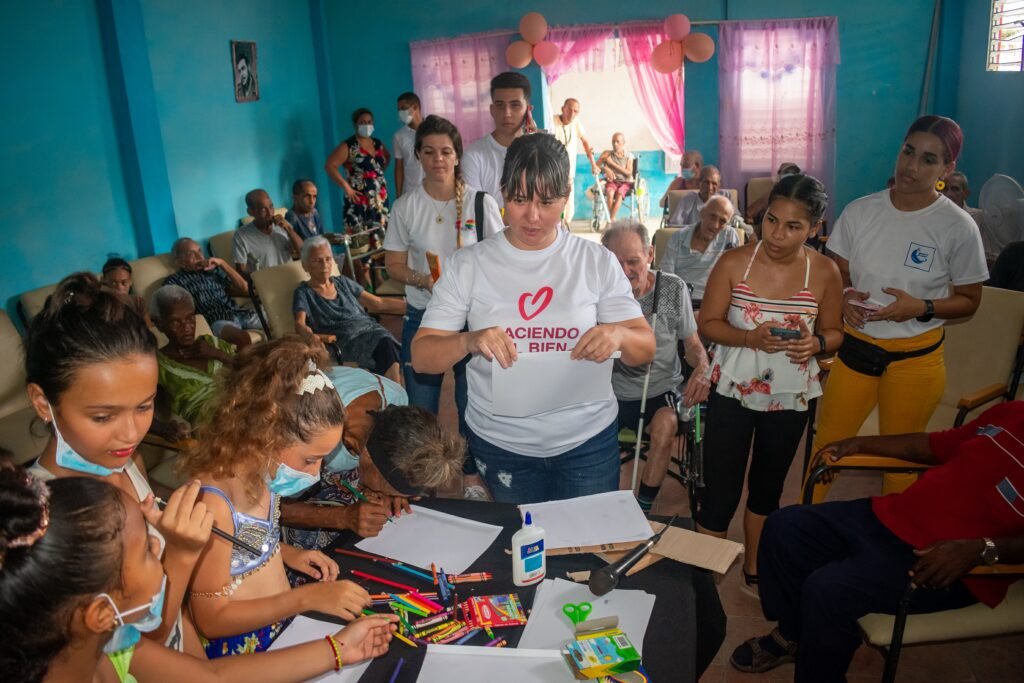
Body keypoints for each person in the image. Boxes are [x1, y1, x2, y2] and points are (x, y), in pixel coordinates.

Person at [412, 133, 654, 504]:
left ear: (567, 196)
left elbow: (645, 348)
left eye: (547, 201)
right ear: (502, 191)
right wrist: (467, 340)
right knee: (525, 550)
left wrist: (618, 335)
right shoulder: (470, 264)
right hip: (503, 443)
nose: (533, 215)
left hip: (586, 441)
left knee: (587, 544)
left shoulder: (594, 261)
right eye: (519, 199)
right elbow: (422, 356)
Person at [0, 465, 398, 683]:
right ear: (101, 611)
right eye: (148, 548)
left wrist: (339, 650)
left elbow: (210, 675)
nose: (162, 544)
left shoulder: (114, 641)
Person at [732, 401, 1024, 681]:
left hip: (947, 560)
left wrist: (982, 549)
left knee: (827, 590)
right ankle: (794, 635)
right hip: (893, 516)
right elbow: (930, 446)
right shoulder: (1012, 413)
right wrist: (861, 443)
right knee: (784, 527)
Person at [21, 273, 210, 654]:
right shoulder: (42, 522)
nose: (130, 434)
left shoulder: (122, 461)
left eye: (144, 406)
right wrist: (182, 553)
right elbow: (142, 643)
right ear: (43, 403)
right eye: (103, 417)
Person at [811, 115, 989, 500]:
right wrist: (842, 296)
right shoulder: (861, 211)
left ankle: (893, 538)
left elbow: (970, 301)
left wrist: (921, 307)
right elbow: (834, 270)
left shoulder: (957, 227)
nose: (911, 166)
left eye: (928, 159)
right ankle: (801, 522)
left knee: (899, 460)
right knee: (826, 447)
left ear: (947, 168)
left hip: (916, 360)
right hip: (857, 350)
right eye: (908, 151)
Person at [696, 175, 844, 593]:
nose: (778, 234)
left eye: (793, 227)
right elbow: (707, 324)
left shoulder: (826, 272)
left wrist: (816, 342)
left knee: (768, 487)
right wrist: (748, 337)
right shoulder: (733, 262)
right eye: (771, 221)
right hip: (733, 392)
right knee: (720, 487)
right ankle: (705, 580)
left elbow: (836, 332)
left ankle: (754, 568)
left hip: (790, 396)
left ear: (814, 228)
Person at [182, 339, 374, 658]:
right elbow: (210, 619)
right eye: (310, 460)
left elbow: (243, 546)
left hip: (280, 627)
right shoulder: (213, 503)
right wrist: (306, 599)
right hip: (243, 651)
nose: (315, 475)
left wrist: (286, 553)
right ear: (265, 434)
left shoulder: (265, 473)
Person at [383, 115, 503, 444]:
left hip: (473, 320)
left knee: (473, 405)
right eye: (430, 152)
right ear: (417, 155)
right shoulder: (405, 207)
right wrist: (424, 280)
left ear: (457, 155)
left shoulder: (481, 203)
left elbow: (500, 259)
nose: (439, 159)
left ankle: (471, 476)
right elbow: (392, 264)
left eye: (446, 152)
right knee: (421, 410)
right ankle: (424, 480)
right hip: (423, 316)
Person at [602, 221, 711, 511]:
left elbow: (692, 344)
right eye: (616, 262)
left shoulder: (671, 288)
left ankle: (643, 507)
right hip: (609, 393)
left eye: (634, 261)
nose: (625, 271)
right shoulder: (598, 293)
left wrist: (702, 367)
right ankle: (602, 506)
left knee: (667, 423)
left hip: (660, 390)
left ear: (650, 254)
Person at [284, 399, 467, 551]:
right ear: (369, 458)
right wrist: (342, 517)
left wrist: (387, 490)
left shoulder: (397, 415)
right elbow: (267, 509)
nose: (387, 498)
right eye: (390, 492)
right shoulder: (314, 438)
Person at [294, 236, 405, 383]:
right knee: (385, 346)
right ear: (305, 266)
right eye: (317, 260)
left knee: (386, 343)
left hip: (370, 331)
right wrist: (310, 336)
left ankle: (395, 396)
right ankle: (397, 396)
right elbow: (299, 323)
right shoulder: (304, 292)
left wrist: (416, 308)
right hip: (343, 341)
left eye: (328, 259)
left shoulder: (343, 282)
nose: (324, 265)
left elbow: (378, 303)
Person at [150, 285, 235, 432]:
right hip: (213, 430)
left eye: (190, 318)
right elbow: (141, 410)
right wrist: (164, 429)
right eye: (176, 322)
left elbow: (251, 373)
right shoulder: (158, 366)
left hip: (247, 410)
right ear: (159, 324)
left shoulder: (213, 344)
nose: (187, 327)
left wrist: (219, 355)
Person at [164, 237, 260, 349]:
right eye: (192, 254)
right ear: (180, 262)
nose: (200, 256)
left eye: (200, 251)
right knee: (242, 338)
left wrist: (222, 263)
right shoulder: (174, 281)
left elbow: (244, 288)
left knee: (279, 319)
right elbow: (168, 308)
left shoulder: (213, 271)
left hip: (238, 312)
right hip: (216, 318)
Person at [461, 71, 537, 210]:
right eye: (500, 105)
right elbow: (476, 211)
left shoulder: (539, 152)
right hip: (492, 232)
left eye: (515, 105)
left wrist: (536, 143)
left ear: (528, 110)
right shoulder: (473, 156)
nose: (507, 113)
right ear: (492, 110)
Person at [661, 195, 741, 307]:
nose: (715, 225)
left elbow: (735, 277)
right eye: (712, 216)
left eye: (722, 221)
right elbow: (666, 278)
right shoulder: (678, 237)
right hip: (681, 301)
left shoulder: (730, 236)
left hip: (715, 302)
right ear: (702, 213)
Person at [325, 108, 391, 232]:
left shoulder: (377, 143)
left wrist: (378, 175)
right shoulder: (349, 145)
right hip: (360, 198)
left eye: (369, 122)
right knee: (361, 235)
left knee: (383, 235)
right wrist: (346, 187)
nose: (367, 125)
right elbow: (330, 166)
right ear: (355, 124)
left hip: (380, 199)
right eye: (362, 122)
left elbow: (387, 156)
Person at [551, 97, 599, 223]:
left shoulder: (576, 123)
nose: (572, 114)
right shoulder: (552, 121)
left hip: (569, 171)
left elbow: (585, 142)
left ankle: (565, 226)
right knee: (555, 199)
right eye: (570, 110)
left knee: (568, 204)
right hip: (553, 171)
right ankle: (556, 225)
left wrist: (593, 165)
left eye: (576, 111)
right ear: (563, 109)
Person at [234, 189, 303, 273]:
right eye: (263, 209)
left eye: (271, 207)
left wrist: (288, 229)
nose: (270, 213)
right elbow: (241, 271)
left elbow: (303, 252)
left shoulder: (282, 225)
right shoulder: (241, 235)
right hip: (267, 282)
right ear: (250, 212)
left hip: (290, 276)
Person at [667, 165, 732, 227]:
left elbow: (736, 220)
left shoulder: (725, 199)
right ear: (699, 182)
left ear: (719, 186)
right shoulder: (688, 200)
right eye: (706, 182)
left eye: (714, 183)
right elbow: (674, 226)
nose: (710, 187)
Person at [101, 256, 151, 325]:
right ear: (103, 280)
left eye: (124, 282)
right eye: (113, 283)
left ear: (131, 281)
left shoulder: (138, 302)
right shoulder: (100, 305)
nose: (119, 288)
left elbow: (149, 329)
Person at [392, 92, 424, 197]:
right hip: (411, 191)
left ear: (415, 107)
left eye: (404, 108)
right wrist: (398, 195)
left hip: (434, 189)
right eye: (399, 110)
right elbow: (399, 168)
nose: (401, 112)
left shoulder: (433, 129)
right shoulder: (399, 136)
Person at [597, 133, 635, 221]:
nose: (615, 144)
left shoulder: (629, 156)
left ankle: (610, 220)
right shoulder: (607, 153)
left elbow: (628, 173)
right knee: (610, 193)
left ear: (623, 142)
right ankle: (612, 219)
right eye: (613, 141)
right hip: (612, 181)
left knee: (619, 194)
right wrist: (605, 168)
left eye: (618, 142)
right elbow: (595, 168)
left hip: (625, 182)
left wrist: (611, 163)